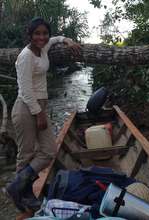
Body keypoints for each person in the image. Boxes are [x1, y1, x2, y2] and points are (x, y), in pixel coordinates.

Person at [6, 17, 81, 211]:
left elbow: (55, 39)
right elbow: (25, 90)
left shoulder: (43, 48)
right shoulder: (26, 56)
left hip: (38, 106)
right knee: (26, 154)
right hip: (26, 108)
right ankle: (24, 194)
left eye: (44, 33)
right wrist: (39, 114)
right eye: (37, 33)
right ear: (29, 35)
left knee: (48, 150)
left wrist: (68, 40)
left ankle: (16, 186)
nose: (41, 37)